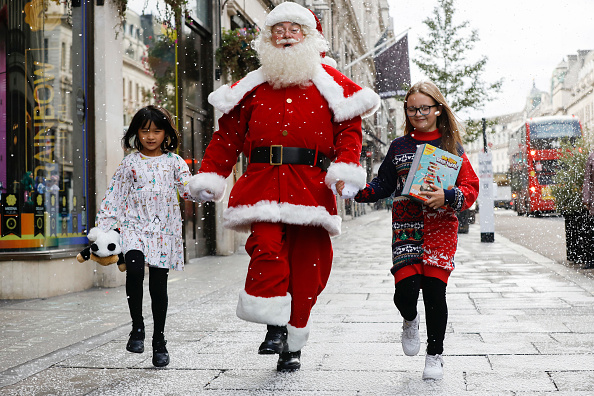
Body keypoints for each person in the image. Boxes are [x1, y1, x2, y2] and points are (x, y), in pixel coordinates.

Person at [189, 1, 380, 372]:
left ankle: (294, 340)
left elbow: (349, 132)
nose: (287, 37)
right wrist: (212, 173)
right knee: (264, 246)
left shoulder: (332, 84)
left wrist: (345, 169)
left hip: (310, 186)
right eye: (279, 31)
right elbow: (227, 138)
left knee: (310, 266)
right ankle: (275, 325)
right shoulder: (252, 87)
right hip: (261, 183)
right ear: (268, 38)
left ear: (309, 38)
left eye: (295, 31)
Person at [345, 80, 479, 380]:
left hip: (440, 228)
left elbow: (470, 187)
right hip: (406, 226)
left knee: (435, 292)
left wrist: (448, 196)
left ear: (438, 109)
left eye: (424, 108)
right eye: (412, 108)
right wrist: (354, 190)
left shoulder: (451, 146)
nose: (419, 113)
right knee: (405, 292)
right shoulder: (399, 146)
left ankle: (435, 355)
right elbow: (383, 184)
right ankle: (409, 318)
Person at [90, 105, 199, 367]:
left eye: (157, 131)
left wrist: (202, 188)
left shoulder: (174, 162)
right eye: (145, 130)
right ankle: (137, 328)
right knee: (135, 271)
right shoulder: (130, 163)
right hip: (134, 228)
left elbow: (188, 190)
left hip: (163, 231)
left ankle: (159, 341)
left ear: (167, 133)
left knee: (158, 285)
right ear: (136, 132)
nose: (151, 136)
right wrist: (102, 230)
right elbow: (115, 196)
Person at [582, 150, 594, 269]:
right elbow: (587, 180)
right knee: (592, 232)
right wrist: (586, 199)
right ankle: (591, 259)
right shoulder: (592, 156)